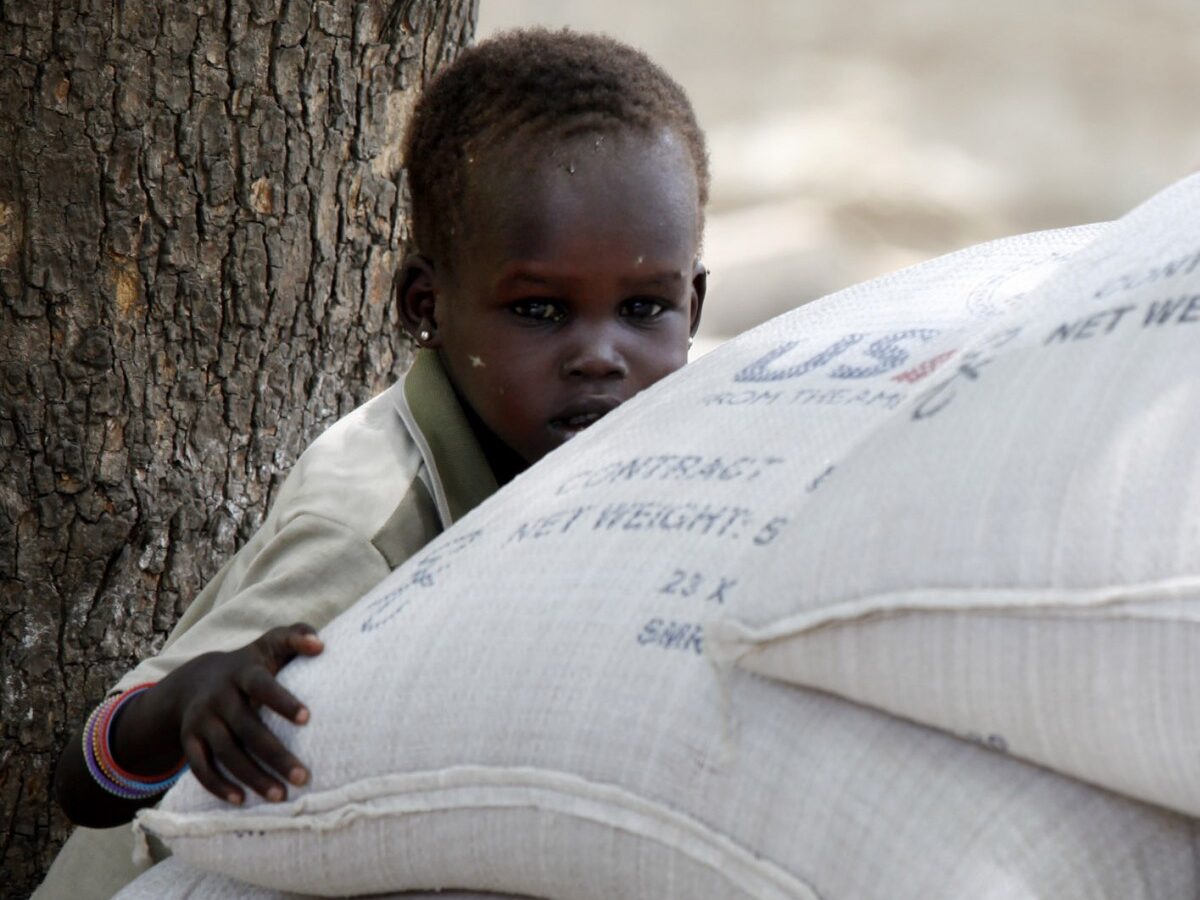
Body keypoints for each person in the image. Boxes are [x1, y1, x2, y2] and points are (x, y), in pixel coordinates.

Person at [36, 26, 710, 899]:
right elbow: (84, 780)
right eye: (540, 310)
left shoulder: (632, 461)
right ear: (426, 305)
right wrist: (193, 701)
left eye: (644, 307)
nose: (600, 357)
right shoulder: (368, 532)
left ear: (693, 307)